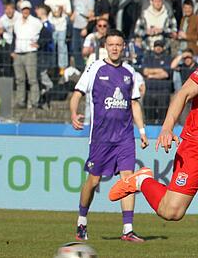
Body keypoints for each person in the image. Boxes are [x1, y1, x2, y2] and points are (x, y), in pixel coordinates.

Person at [70, 29, 148, 242]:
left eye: (118, 44)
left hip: (124, 137)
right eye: (111, 44)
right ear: (105, 46)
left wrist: (141, 131)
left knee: (128, 181)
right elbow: (77, 93)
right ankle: (82, 222)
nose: (115, 48)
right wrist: (73, 113)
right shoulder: (95, 68)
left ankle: (128, 230)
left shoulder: (130, 72)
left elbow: (134, 103)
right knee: (93, 181)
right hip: (101, 138)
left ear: (124, 46)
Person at [12, 1, 43, 109]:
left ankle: (35, 102)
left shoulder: (36, 22)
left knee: (32, 79)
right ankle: (21, 101)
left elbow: (46, 32)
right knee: (19, 79)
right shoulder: (17, 22)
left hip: (30, 52)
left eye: (27, 9)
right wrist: (13, 51)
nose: (25, 11)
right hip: (18, 53)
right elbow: (14, 36)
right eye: (23, 9)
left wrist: (39, 44)